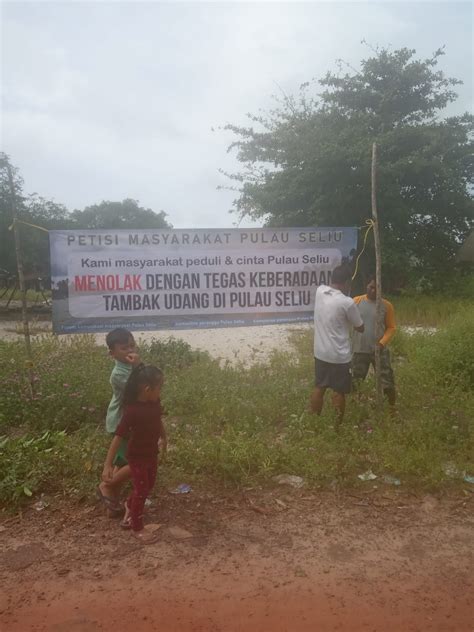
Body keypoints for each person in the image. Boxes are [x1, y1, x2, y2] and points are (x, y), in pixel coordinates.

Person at [102, 365, 167, 544]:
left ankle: (130, 505)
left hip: (151, 454)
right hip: (137, 457)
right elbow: (118, 437)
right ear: (147, 389)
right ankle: (137, 527)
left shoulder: (155, 403)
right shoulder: (131, 411)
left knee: (149, 485)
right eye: (159, 387)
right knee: (142, 490)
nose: (160, 391)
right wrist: (108, 464)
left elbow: (158, 421)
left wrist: (164, 438)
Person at [310, 264, 364, 423]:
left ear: (332, 279)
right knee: (339, 391)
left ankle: (314, 421)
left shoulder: (320, 291)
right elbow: (360, 327)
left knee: (319, 387)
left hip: (320, 352)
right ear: (347, 282)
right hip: (339, 356)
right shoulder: (347, 302)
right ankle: (337, 426)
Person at [97, 328, 141, 515]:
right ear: (112, 353)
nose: (130, 350)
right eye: (124, 348)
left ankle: (111, 499)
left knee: (122, 460)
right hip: (122, 421)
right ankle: (107, 486)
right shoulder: (118, 373)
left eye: (131, 345)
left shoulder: (128, 367)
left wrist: (137, 366)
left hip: (128, 420)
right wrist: (137, 366)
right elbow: (138, 389)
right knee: (136, 461)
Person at [352, 276, 397, 407]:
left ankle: (391, 409)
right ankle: (356, 408)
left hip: (380, 350)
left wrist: (382, 343)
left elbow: (391, 327)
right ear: (367, 285)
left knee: (387, 381)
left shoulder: (386, 306)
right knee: (356, 382)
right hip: (359, 349)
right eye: (371, 287)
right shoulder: (356, 301)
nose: (373, 290)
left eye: (376, 288)